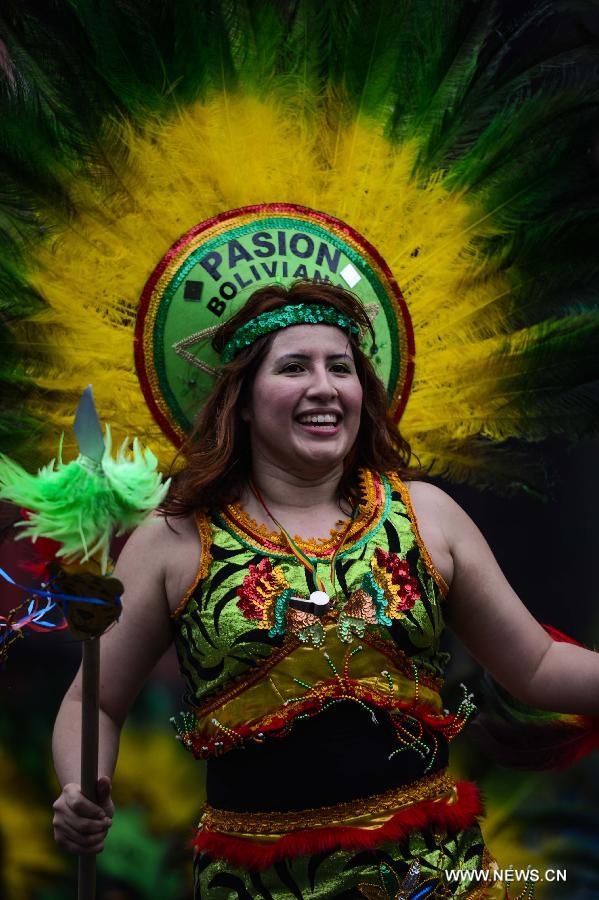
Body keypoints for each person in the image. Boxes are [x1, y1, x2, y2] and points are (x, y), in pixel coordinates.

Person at [52, 281, 599, 898]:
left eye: (340, 367)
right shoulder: (176, 539)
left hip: (431, 877)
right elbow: (93, 704)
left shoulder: (426, 516)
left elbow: (538, 664)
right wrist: (80, 789)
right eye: (293, 367)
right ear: (244, 402)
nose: (324, 386)